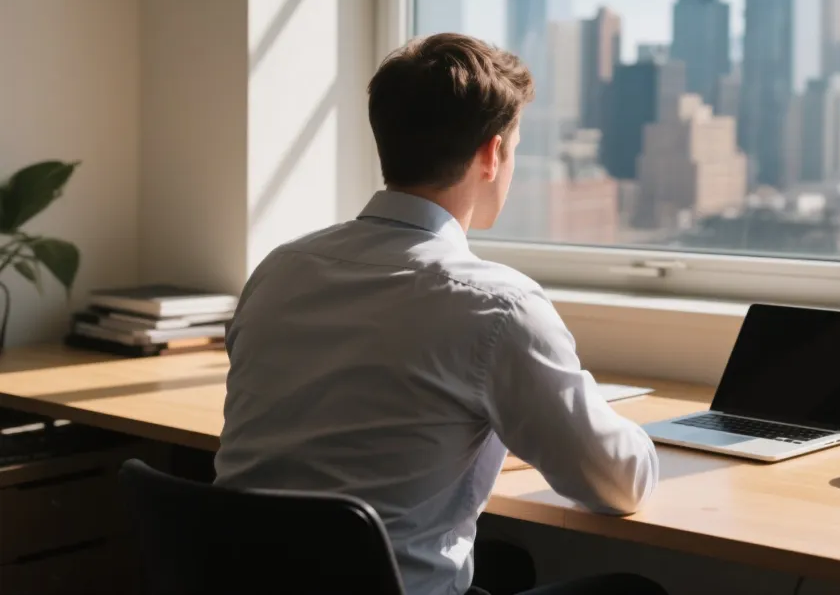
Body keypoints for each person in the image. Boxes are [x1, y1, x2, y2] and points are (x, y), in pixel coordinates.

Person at [215, 34, 663, 595]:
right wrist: (604, 417)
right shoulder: (500, 306)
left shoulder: (279, 269)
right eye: (515, 149)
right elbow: (620, 485)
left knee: (504, 562)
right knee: (632, 590)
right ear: (491, 153)